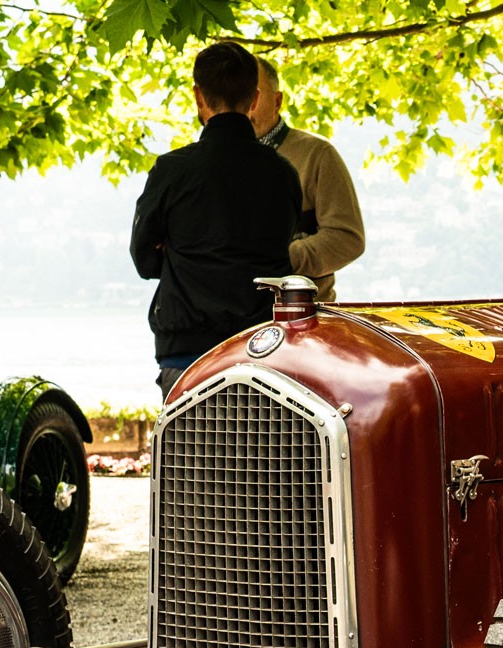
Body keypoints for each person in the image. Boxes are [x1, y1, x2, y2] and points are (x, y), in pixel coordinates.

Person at [130, 41, 301, 388]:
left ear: (198, 96)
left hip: (186, 349)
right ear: (254, 99)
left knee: (189, 443)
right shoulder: (282, 173)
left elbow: (144, 260)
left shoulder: (171, 171)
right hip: (263, 347)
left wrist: (178, 255)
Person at [249, 56, 365, 302]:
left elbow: (347, 239)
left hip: (304, 319)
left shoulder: (318, 155)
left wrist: (279, 259)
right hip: (229, 321)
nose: (247, 104)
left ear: (277, 100)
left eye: (254, 94)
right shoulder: (212, 162)